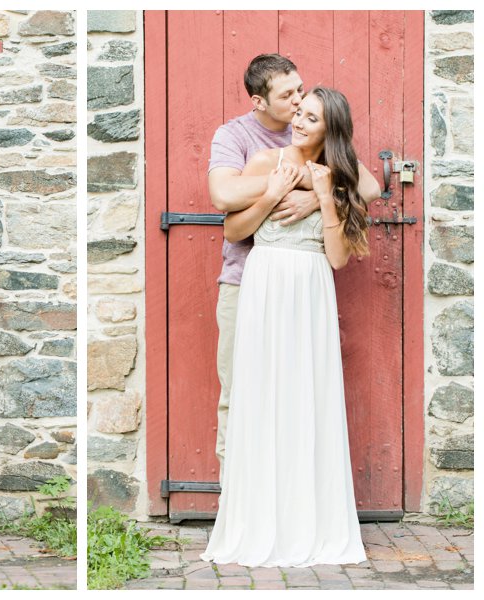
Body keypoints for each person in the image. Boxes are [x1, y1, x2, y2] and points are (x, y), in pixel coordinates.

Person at [201, 87, 371, 567]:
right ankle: (257, 517)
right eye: (299, 111)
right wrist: (274, 193)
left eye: (311, 117)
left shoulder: (337, 177)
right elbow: (234, 231)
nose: (298, 120)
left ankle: (308, 519)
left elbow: (337, 258)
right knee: (260, 395)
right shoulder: (263, 161)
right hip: (265, 283)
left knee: (307, 397)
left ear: (328, 130)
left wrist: (323, 198)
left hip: (311, 289)